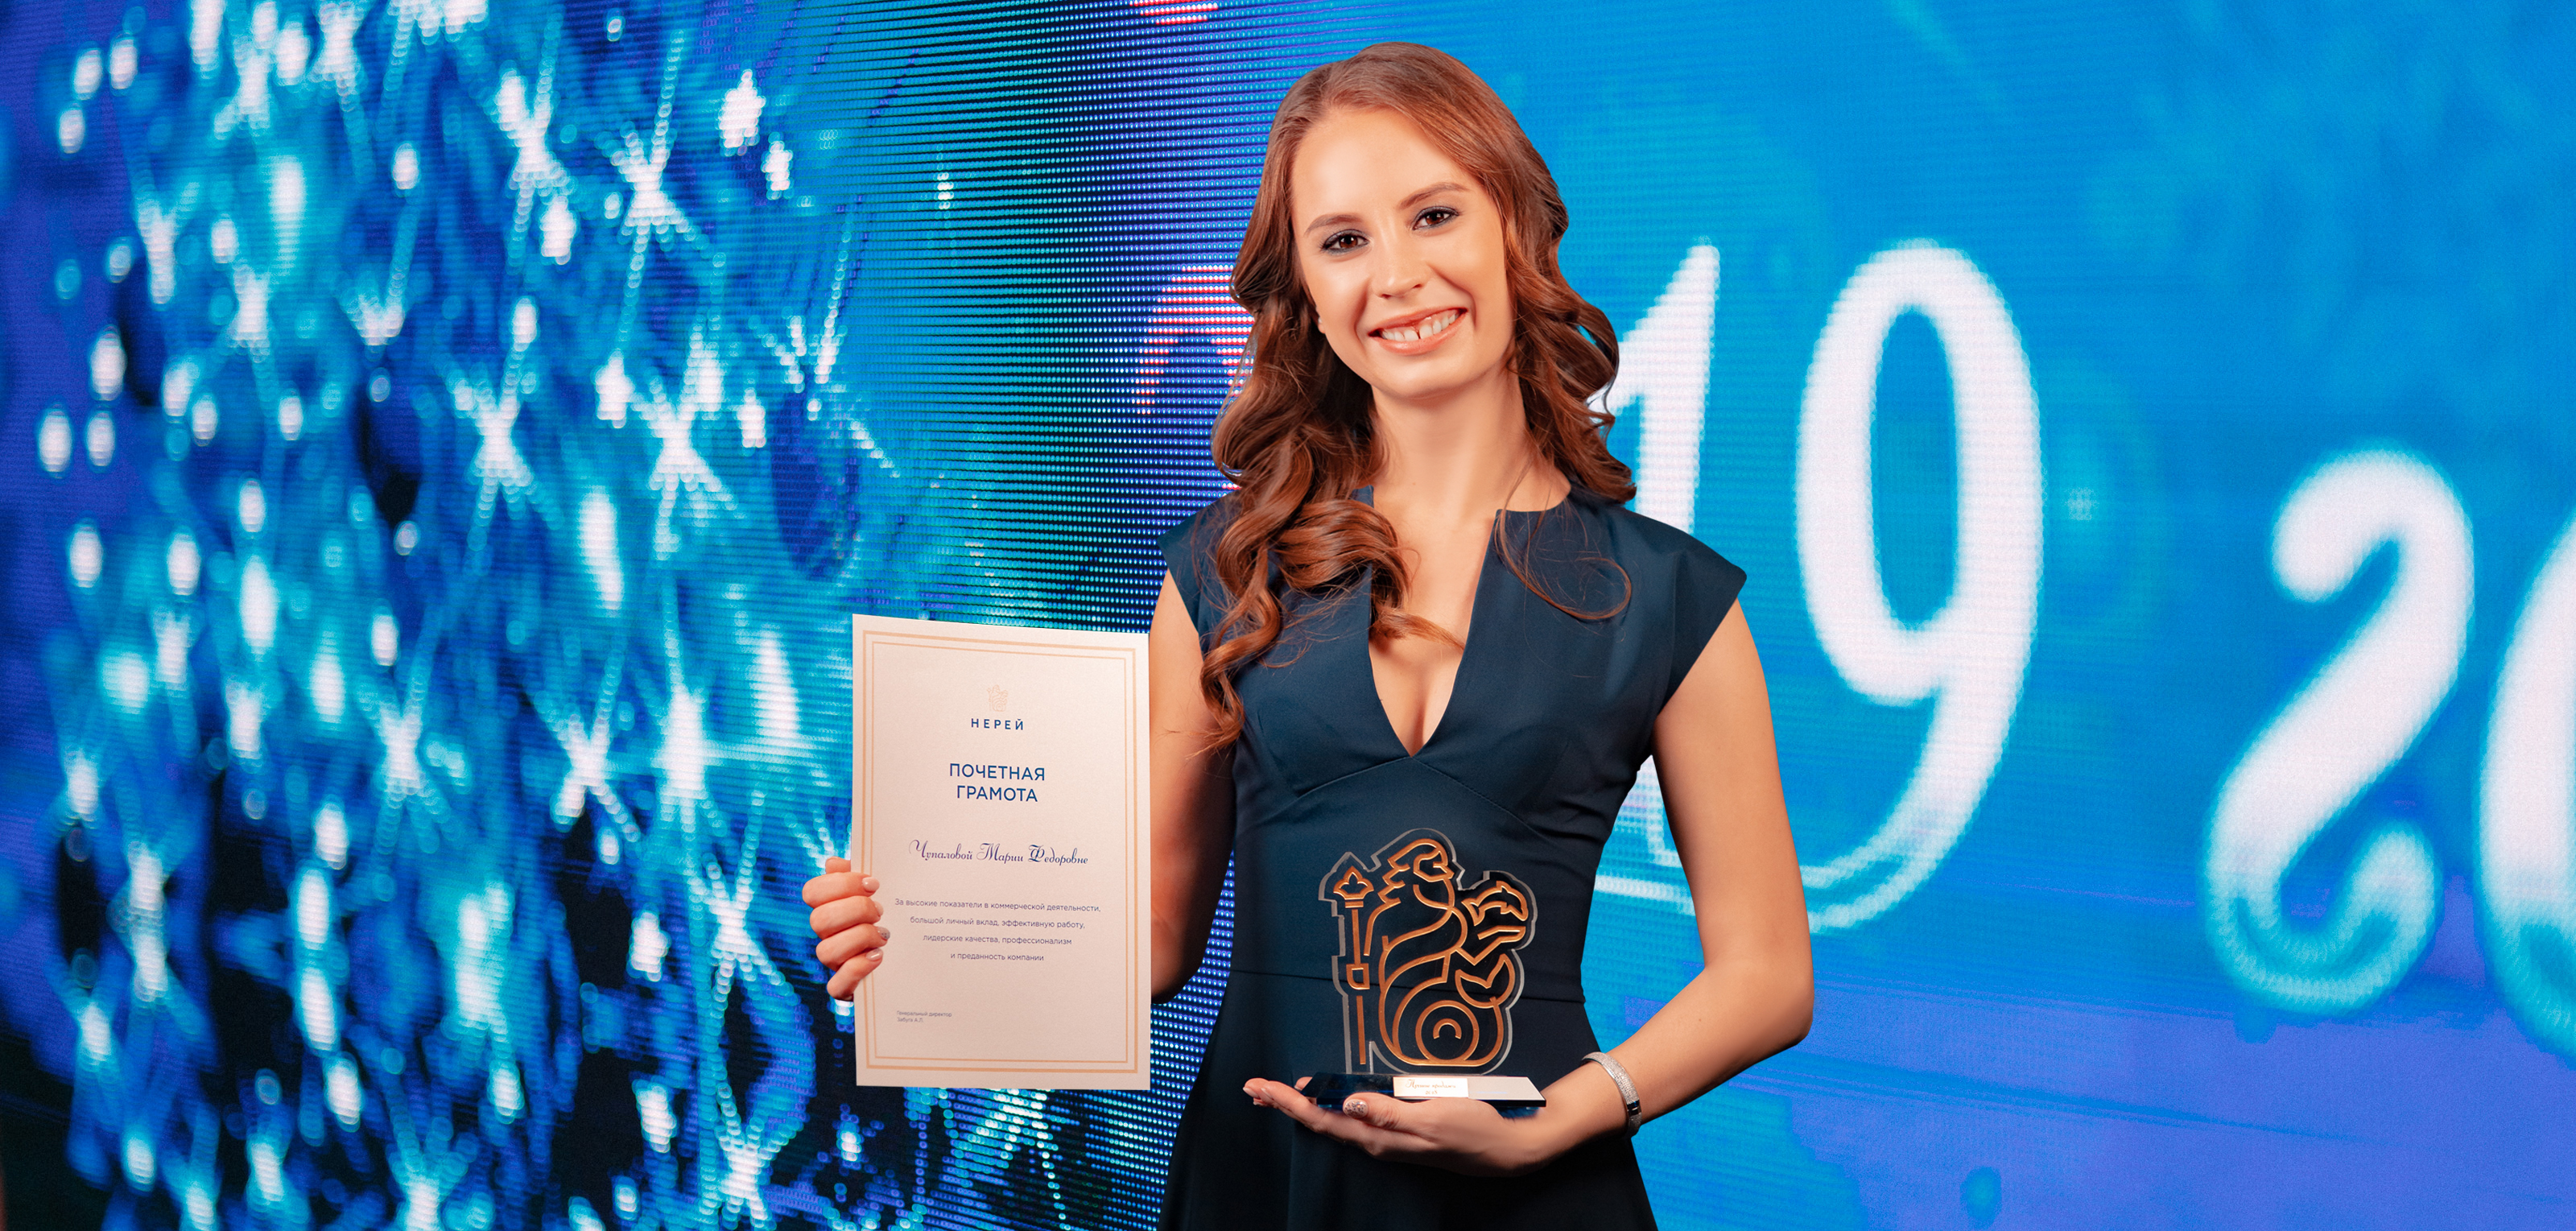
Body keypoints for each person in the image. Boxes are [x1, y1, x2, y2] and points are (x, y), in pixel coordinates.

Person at [803, 41, 1812, 1229]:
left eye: (1434, 214)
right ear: (1305, 293)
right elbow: (1153, 939)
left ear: (1513, 224)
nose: (1398, 275)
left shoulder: (1672, 597)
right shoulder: (1223, 570)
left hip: (1543, 1194)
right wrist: (917, 935)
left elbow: (1769, 977)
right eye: (1343, 241)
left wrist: (1563, 1116)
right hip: (1262, 1187)